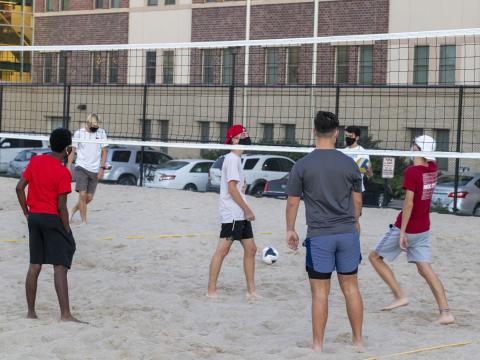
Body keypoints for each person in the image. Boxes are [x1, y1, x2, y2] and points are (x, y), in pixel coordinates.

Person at [286, 111, 364, 352]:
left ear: (313, 132)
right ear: (337, 133)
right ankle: (358, 341)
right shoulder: (349, 162)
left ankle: (318, 346)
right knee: (351, 288)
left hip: (320, 235)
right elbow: (358, 202)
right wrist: (355, 220)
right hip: (347, 233)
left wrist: (290, 229)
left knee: (320, 293)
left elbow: (292, 202)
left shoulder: (302, 165)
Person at [368, 135, 455, 325]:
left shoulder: (412, 172)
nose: (410, 147)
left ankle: (400, 296)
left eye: (413, 145)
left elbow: (408, 204)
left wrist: (401, 232)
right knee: (426, 270)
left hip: (408, 227)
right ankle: (445, 312)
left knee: (374, 257)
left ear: (418, 149)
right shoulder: (432, 169)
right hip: (424, 228)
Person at [15, 128, 83, 322]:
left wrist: (27, 213)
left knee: (35, 265)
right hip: (51, 218)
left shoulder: (35, 161)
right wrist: (67, 230)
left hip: (34, 217)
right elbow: (62, 208)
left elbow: (19, 187)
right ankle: (65, 314)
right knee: (60, 267)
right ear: (68, 149)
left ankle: (31, 313)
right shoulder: (62, 172)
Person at [207, 124, 259, 299]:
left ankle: (251, 291)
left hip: (240, 215)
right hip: (233, 215)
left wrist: (243, 189)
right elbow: (231, 189)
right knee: (222, 250)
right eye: (243, 134)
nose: (247, 136)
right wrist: (248, 209)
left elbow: (236, 187)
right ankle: (211, 290)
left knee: (251, 249)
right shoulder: (231, 159)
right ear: (234, 139)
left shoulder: (237, 160)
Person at [68, 113, 108, 224]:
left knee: (89, 198)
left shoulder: (101, 132)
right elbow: (72, 150)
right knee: (82, 194)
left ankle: (72, 210)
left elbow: (105, 152)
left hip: (95, 169)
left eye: (97, 126)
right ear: (88, 123)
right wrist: (68, 166)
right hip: (81, 167)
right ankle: (84, 221)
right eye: (94, 126)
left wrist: (102, 168)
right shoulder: (79, 133)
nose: (96, 128)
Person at [345, 125, 373, 192]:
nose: (348, 138)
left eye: (350, 136)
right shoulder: (343, 151)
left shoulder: (363, 152)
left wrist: (364, 170)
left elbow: (370, 174)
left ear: (357, 138)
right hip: (343, 188)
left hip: (357, 189)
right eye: (346, 136)